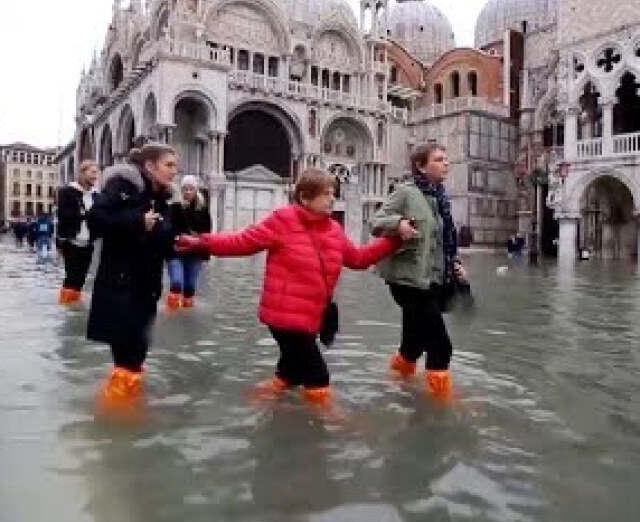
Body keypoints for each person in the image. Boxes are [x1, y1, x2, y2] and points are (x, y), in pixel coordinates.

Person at [176, 168, 400, 409]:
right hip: (285, 318)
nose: (332, 199)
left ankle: (260, 403)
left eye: (333, 193)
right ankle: (326, 426)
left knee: (291, 371)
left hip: (311, 315)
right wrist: (201, 243)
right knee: (318, 375)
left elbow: (357, 259)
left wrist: (394, 241)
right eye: (326, 194)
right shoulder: (283, 220)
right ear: (304, 197)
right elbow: (241, 242)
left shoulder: (334, 229)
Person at [371, 142, 469, 402]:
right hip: (407, 281)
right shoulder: (405, 192)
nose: (446, 163)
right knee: (441, 346)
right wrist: (399, 223)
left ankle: (395, 382)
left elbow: (439, 241)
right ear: (421, 166)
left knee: (413, 345)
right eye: (438, 159)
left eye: (446, 159)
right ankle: (441, 405)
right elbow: (376, 222)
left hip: (433, 280)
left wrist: (454, 264)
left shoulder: (441, 198)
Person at [87, 142, 178, 412]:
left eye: (175, 165)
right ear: (150, 166)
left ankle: (126, 405)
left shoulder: (161, 197)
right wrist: (138, 221)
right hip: (121, 285)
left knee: (136, 353)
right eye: (169, 165)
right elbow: (96, 219)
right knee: (127, 354)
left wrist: (180, 242)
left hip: (146, 286)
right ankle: (117, 415)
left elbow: (163, 237)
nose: (175, 171)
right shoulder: (122, 186)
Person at [56, 160, 101, 305]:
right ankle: (67, 308)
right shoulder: (66, 192)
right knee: (72, 276)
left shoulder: (96, 196)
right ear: (82, 172)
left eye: (97, 173)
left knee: (82, 277)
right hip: (70, 240)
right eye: (92, 172)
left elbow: (100, 216)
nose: (95, 176)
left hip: (88, 241)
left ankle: (74, 304)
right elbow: (65, 215)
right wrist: (88, 214)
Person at [166, 175, 212, 310]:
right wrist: (176, 237)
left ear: (196, 190)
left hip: (194, 253)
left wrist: (205, 254)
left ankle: (186, 312)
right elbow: (168, 228)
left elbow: (207, 233)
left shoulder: (203, 210)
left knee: (190, 286)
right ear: (181, 190)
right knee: (176, 282)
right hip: (176, 251)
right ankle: (173, 314)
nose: (187, 192)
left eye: (191, 189)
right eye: (185, 189)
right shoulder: (174, 207)